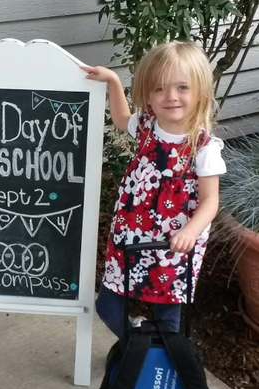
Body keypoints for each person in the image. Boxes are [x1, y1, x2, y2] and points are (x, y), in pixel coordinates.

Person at [83, 41, 226, 338]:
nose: (171, 97)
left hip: (173, 247)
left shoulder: (203, 147)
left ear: (200, 91)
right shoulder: (147, 125)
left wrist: (190, 232)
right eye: (159, 89)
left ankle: (158, 365)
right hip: (131, 237)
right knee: (108, 307)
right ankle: (140, 347)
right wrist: (112, 80)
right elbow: (121, 119)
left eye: (182, 88)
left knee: (167, 323)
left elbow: (211, 201)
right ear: (148, 93)